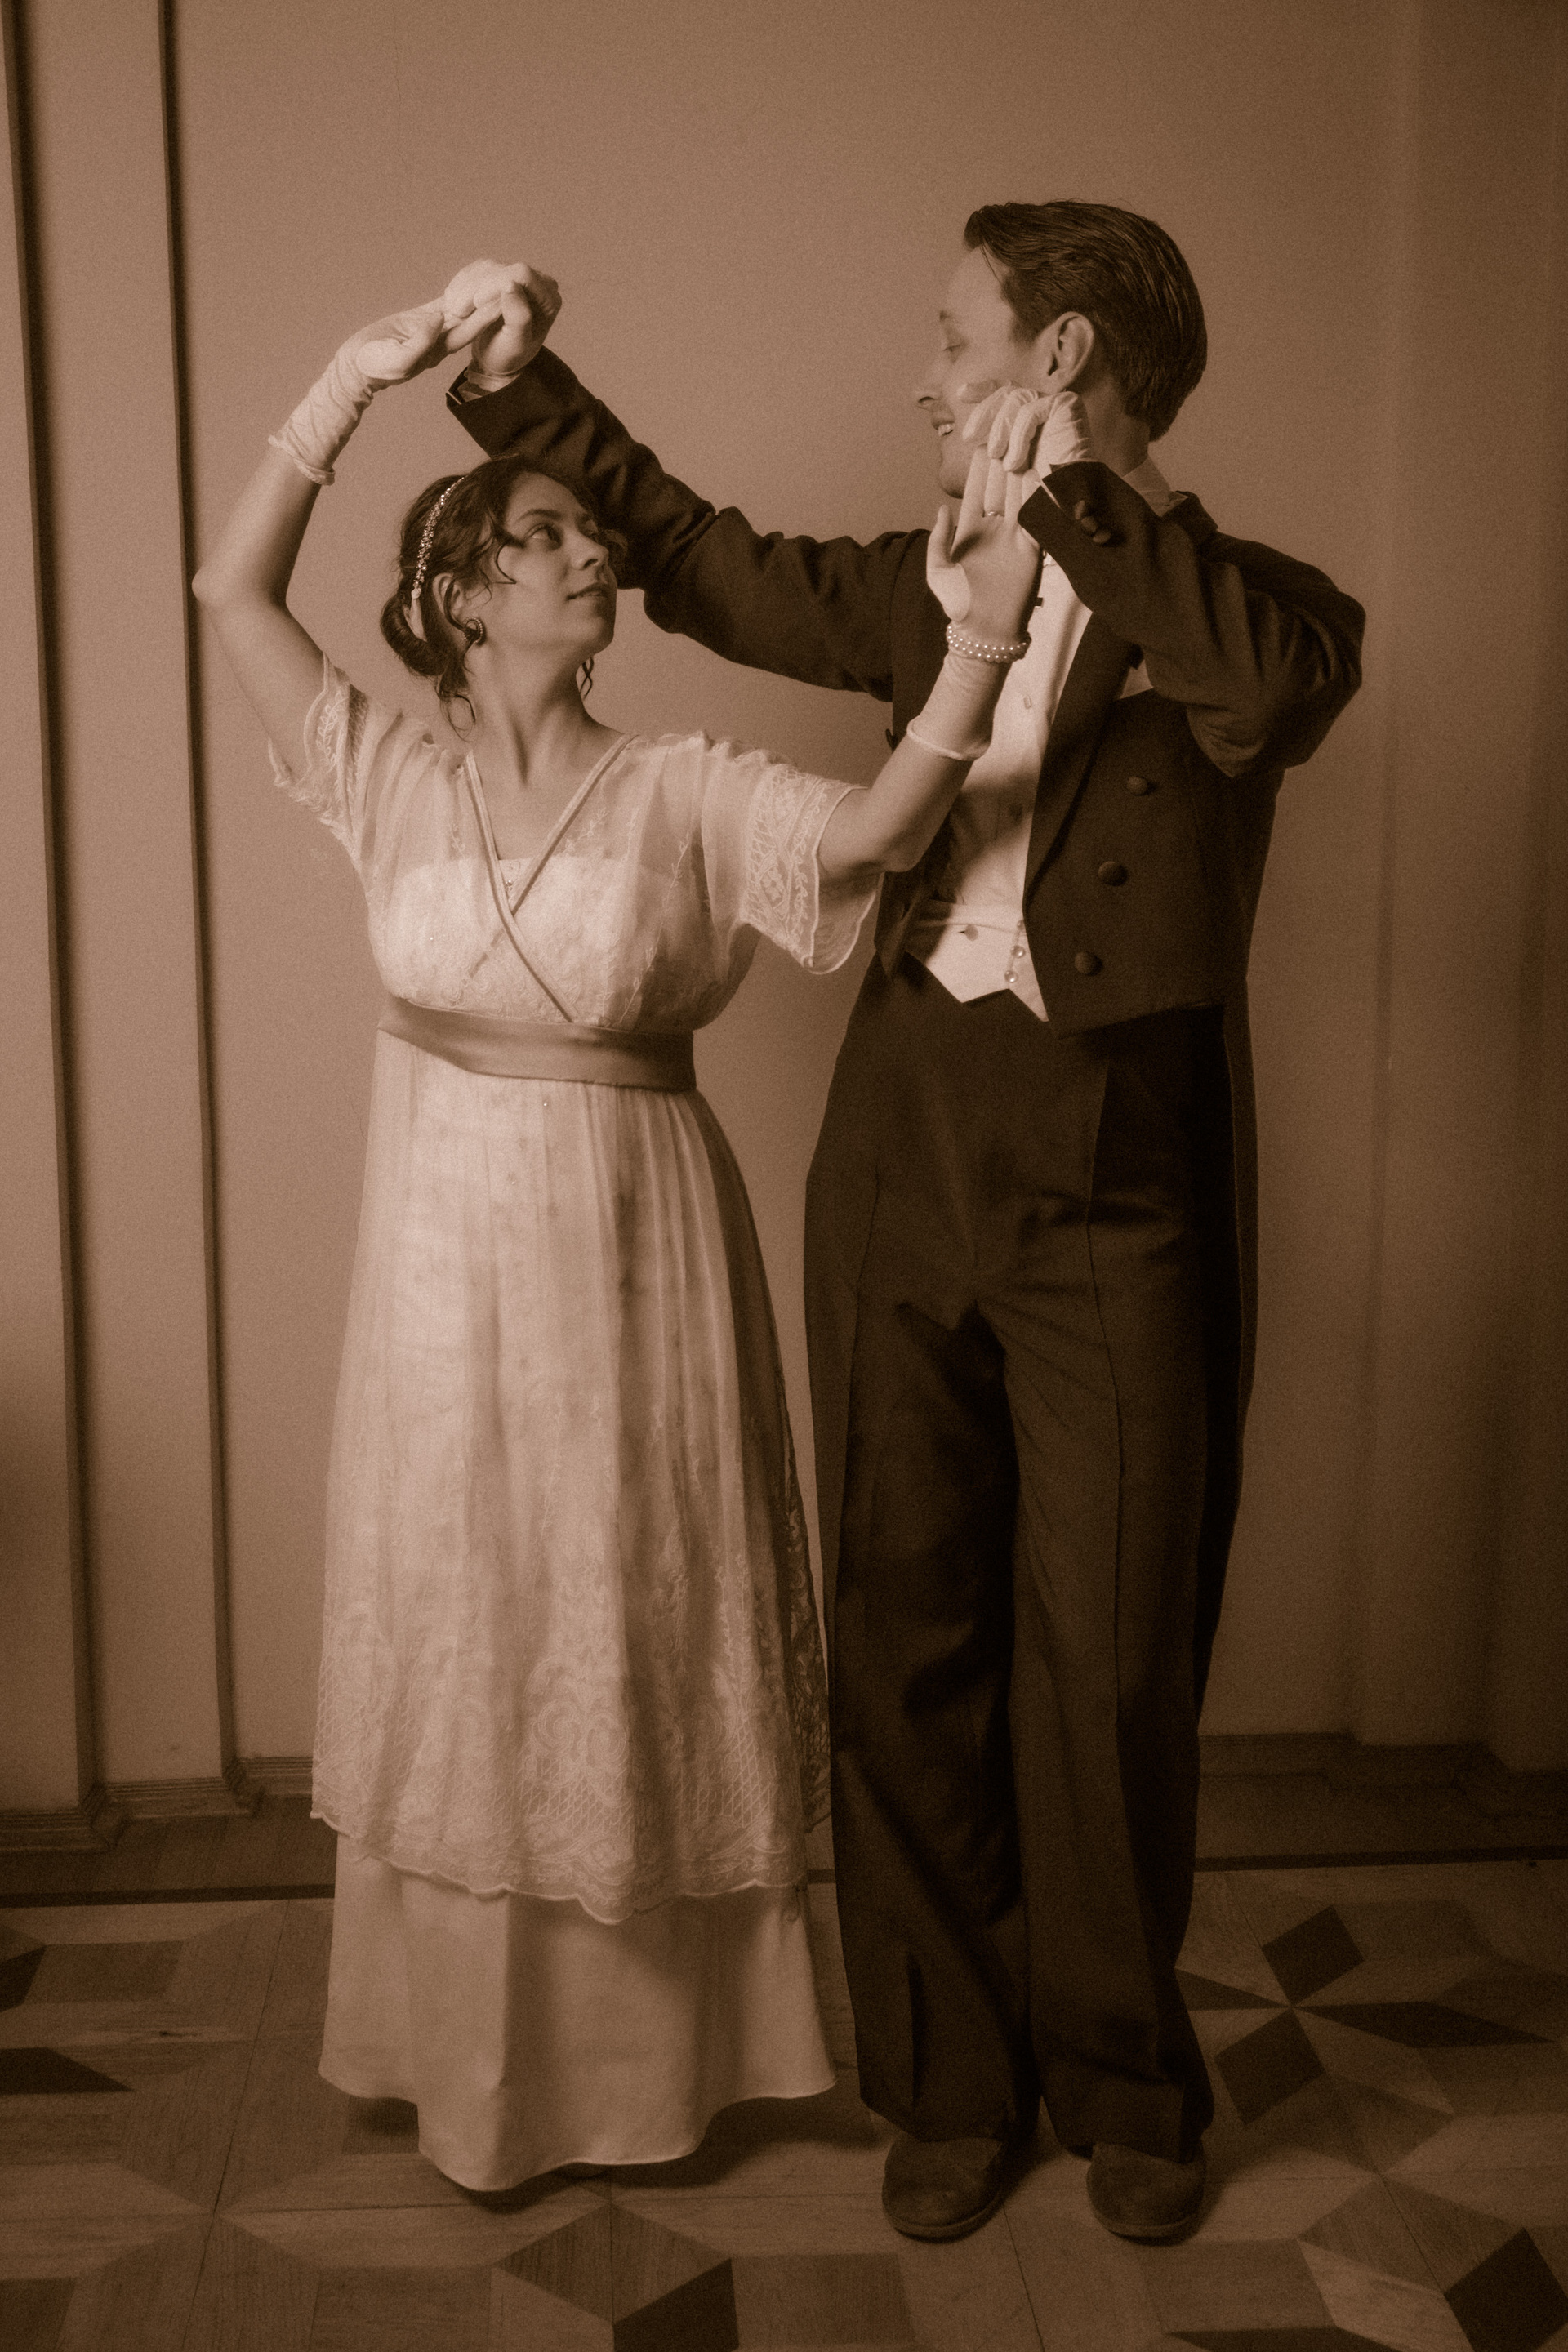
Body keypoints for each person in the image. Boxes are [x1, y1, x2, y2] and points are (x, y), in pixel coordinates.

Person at [439, 202, 1366, 2242]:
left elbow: (1266, 690)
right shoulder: (917, 584)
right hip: (903, 1149)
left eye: (957, 342)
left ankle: (1124, 2082)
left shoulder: (1263, 610)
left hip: (1116, 1180)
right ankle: (950, 2079)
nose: (924, 381)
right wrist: (517, 390)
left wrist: (1075, 508)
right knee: (903, 1630)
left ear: (1060, 361)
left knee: (1107, 1661)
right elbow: (695, 556)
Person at [190, 287, 1044, 2195]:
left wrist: (980, 640)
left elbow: (878, 837)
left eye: (591, 533)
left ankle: (660, 2074)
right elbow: (233, 589)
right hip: (437, 1276)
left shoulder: (680, 790)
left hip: (638, 1261)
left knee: (627, 1602)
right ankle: (470, 2068)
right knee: (473, 1612)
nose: (594, 555)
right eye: (548, 536)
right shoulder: (384, 777)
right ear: (461, 597)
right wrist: (358, 377)